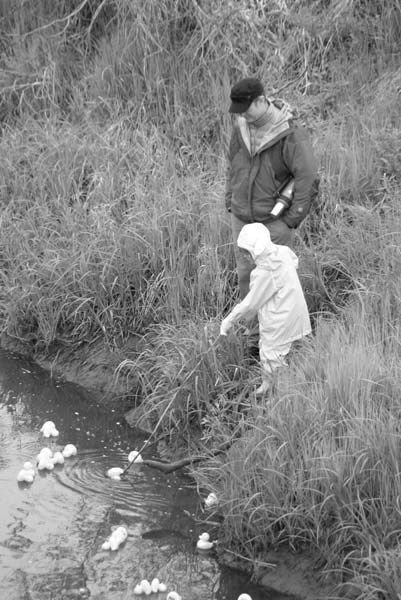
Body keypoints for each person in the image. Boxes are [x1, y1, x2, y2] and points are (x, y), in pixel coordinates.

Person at [225, 76, 319, 301]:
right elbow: (232, 166)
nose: (242, 115)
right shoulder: (241, 128)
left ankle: (285, 335)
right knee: (247, 278)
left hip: (273, 222)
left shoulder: (290, 132)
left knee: (278, 283)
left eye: (246, 110)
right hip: (242, 220)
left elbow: (308, 177)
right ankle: (253, 332)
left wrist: (290, 220)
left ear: (260, 101)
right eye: (238, 111)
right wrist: (230, 200)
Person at [219, 223, 311, 395]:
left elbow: (250, 304)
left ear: (255, 250)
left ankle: (278, 390)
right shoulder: (282, 251)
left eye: (246, 252)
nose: (244, 256)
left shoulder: (264, 272)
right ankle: (288, 379)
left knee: (270, 353)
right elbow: (295, 261)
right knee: (292, 347)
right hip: (295, 310)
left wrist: (228, 321)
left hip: (279, 319)